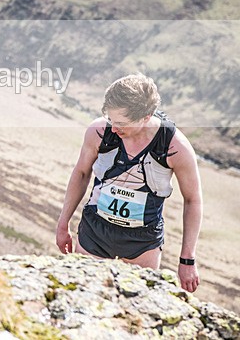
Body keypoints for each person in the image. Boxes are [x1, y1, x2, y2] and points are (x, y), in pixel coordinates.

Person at [55, 73, 202, 292]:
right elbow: (82, 173)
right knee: (82, 295)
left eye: (122, 123)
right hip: (95, 232)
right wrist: (63, 222)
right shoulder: (99, 131)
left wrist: (187, 259)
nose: (114, 129)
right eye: (111, 120)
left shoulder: (175, 146)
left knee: (134, 308)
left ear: (146, 116)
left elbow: (193, 200)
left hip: (142, 243)